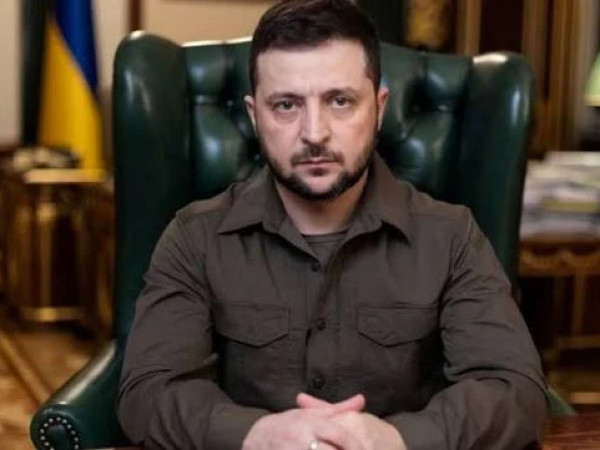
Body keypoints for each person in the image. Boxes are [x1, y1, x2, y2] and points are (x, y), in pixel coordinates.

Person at [117, 0, 548, 449]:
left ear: (379, 108)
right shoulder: (194, 238)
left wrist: (398, 440)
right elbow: (147, 393)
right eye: (286, 105)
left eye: (340, 101)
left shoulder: (452, 237)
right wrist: (256, 434)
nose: (315, 133)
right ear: (254, 115)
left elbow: (514, 391)